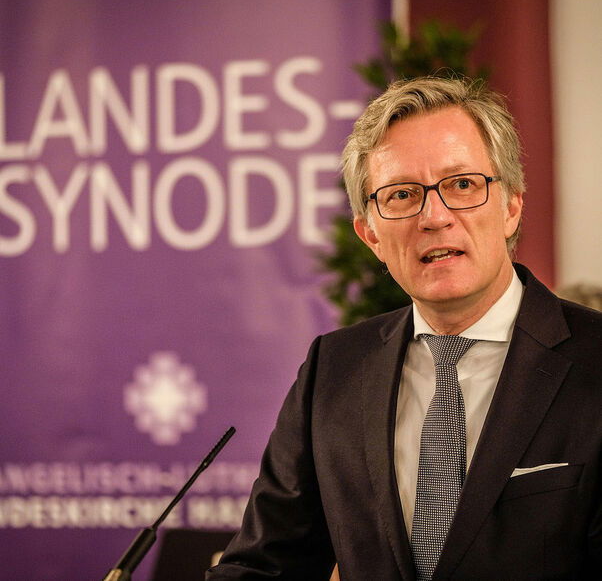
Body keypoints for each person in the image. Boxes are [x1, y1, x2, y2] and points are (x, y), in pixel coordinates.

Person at [206, 77, 602, 580]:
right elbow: (266, 566)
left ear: (511, 206)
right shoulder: (334, 370)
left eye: (462, 185)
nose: (434, 217)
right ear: (370, 234)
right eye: (401, 195)